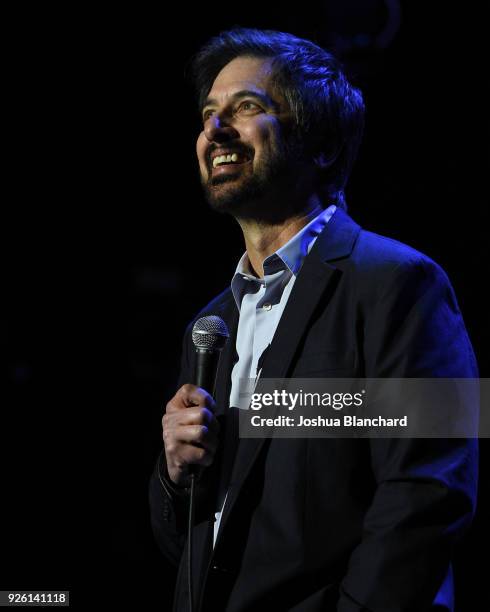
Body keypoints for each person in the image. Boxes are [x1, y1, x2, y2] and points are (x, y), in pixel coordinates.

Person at [149, 28, 478, 611]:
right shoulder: (211, 326)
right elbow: (198, 548)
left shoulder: (400, 283)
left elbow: (429, 497)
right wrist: (175, 478)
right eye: (208, 114)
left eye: (246, 107)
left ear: (320, 143)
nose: (214, 131)